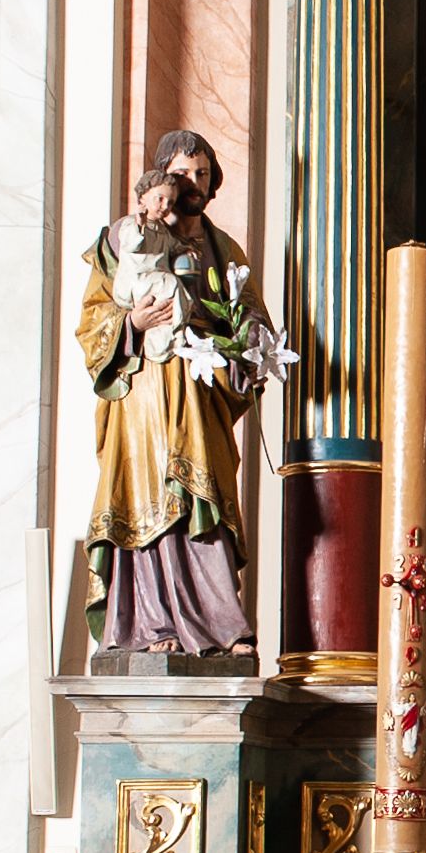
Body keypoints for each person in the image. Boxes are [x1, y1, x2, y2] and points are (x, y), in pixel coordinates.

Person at [78, 131, 277, 655]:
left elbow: (249, 313)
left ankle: (220, 628)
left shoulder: (223, 249)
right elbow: (93, 320)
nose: (192, 183)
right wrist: (132, 324)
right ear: (161, 178)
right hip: (143, 392)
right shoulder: (123, 239)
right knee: (148, 499)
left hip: (200, 392)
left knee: (204, 499)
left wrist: (249, 344)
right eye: (183, 173)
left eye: (202, 174)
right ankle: (152, 627)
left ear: (213, 183)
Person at [109, 166, 191, 363]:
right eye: (160, 199)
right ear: (143, 197)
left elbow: (173, 245)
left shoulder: (162, 229)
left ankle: (169, 339)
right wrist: (139, 224)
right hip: (135, 282)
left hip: (153, 283)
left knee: (181, 301)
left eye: (170, 202)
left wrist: (187, 249)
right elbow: (130, 243)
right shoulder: (131, 224)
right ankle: (166, 340)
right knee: (172, 284)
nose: (165, 206)